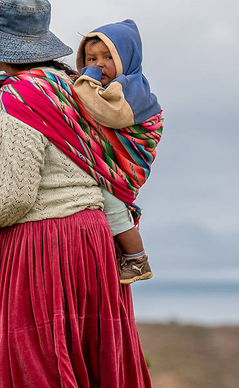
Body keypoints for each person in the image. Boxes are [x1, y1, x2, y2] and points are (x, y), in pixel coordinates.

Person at [0, 0, 153, 388]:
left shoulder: (23, 95)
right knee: (82, 360)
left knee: (34, 368)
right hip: (91, 242)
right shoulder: (72, 86)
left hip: (42, 246)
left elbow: (13, 194)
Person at [74, 19, 164, 284]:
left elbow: (108, 115)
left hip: (128, 158)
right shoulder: (107, 87)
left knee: (110, 201)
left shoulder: (131, 87)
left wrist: (83, 83)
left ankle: (137, 258)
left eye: (107, 57)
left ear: (126, 58)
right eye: (91, 58)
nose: (98, 64)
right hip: (111, 157)